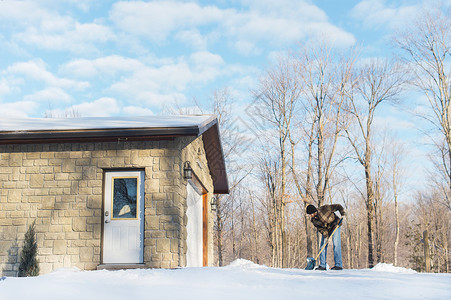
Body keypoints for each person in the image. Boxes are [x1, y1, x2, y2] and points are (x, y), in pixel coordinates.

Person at [306, 203, 345, 271]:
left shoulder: (325, 209)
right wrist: (326, 236)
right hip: (327, 230)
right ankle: (322, 265)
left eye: (310, 214)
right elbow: (321, 229)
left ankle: (338, 265)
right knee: (322, 246)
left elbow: (338, 206)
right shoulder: (314, 220)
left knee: (336, 244)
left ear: (314, 212)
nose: (310, 215)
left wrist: (343, 214)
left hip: (335, 225)